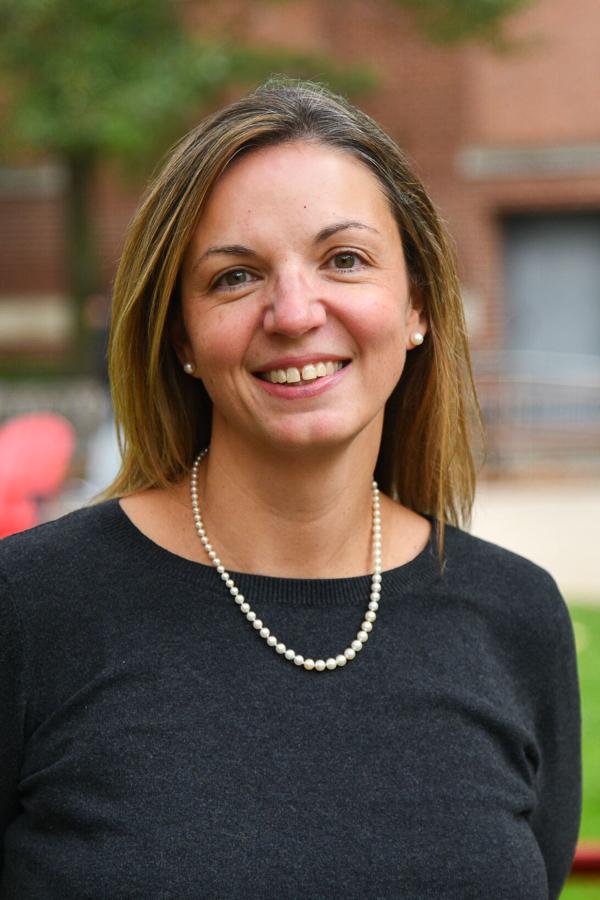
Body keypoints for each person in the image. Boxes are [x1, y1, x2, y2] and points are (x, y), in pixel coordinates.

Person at [0, 80, 580, 899]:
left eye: (344, 260)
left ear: (416, 303)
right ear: (182, 338)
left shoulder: (515, 616)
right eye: (235, 277)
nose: (294, 311)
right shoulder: (28, 607)